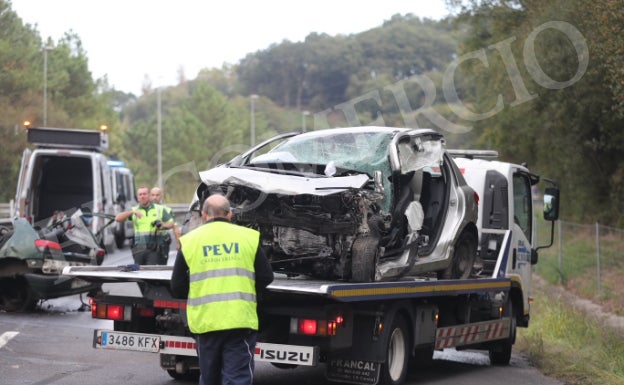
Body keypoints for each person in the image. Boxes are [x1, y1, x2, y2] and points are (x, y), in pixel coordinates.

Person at [171, 194, 274, 385]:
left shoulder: (190, 241)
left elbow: (177, 287)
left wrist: (200, 293)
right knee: (236, 378)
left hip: (206, 321)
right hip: (239, 321)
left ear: (203, 215)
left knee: (209, 378)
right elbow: (266, 276)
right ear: (230, 214)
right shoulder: (248, 237)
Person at [115, 186, 174, 265]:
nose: (142, 196)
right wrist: (132, 212)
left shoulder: (159, 209)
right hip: (138, 249)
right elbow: (118, 218)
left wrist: (162, 226)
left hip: (153, 248)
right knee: (139, 273)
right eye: (140, 194)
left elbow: (171, 223)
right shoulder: (134, 210)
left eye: (144, 194)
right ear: (138, 198)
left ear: (149, 196)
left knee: (151, 273)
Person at [150, 186, 181, 252]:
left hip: (162, 241)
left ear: (161, 196)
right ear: (150, 196)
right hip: (147, 241)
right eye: (153, 195)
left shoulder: (167, 210)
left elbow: (175, 227)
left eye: (157, 195)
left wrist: (178, 242)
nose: (155, 197)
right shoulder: (143, 209)